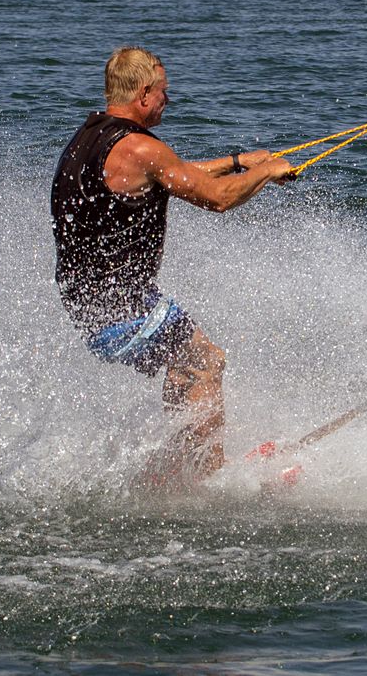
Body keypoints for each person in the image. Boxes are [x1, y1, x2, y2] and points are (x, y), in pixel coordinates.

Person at [51, 46, 292, 484]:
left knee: (186, 361)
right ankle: (208, 476)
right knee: (205, 360)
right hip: (119, 304)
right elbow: (216, 199)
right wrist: (267, 173)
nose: (168, 101)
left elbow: (175, 173)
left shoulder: (91, 136)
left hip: (89, 300)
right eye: (164, 93)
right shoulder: (141, 148)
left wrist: (241, 163)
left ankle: (180, 461)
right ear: (144, 94)